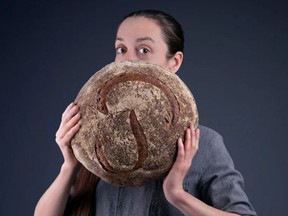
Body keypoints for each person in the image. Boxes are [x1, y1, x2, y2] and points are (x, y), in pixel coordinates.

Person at [34, 9, 257, 216]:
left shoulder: (203, 144)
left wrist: (177, 195)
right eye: (121, 49)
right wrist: (70, 165)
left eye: (144, 50)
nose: (128, 60)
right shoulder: (98, 143)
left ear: (174, 62)